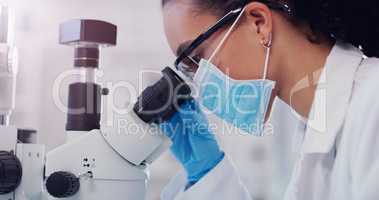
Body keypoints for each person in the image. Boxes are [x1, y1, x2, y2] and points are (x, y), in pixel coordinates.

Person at [158, 0, 379, 199]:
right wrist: (209, 174)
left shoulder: (373, 102)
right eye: (189, 69)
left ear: (259, 23)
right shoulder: (312, 129)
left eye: (196, 58)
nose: (199, 83)